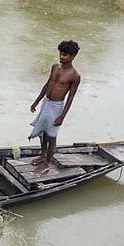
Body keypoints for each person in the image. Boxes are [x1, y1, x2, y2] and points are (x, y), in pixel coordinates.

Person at [29, 40, 82, 173]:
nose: (61, 57)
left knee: (51, 136)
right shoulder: (55, 67)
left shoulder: (75, 76)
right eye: (61, 54)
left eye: (65, 55)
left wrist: (62, 116)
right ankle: (42, 156)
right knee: (42, 132)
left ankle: (46, 163)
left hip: (56, 106)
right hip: (46, 102)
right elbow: (47, 85)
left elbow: (70, 97)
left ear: (73, 56)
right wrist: (36, 101)